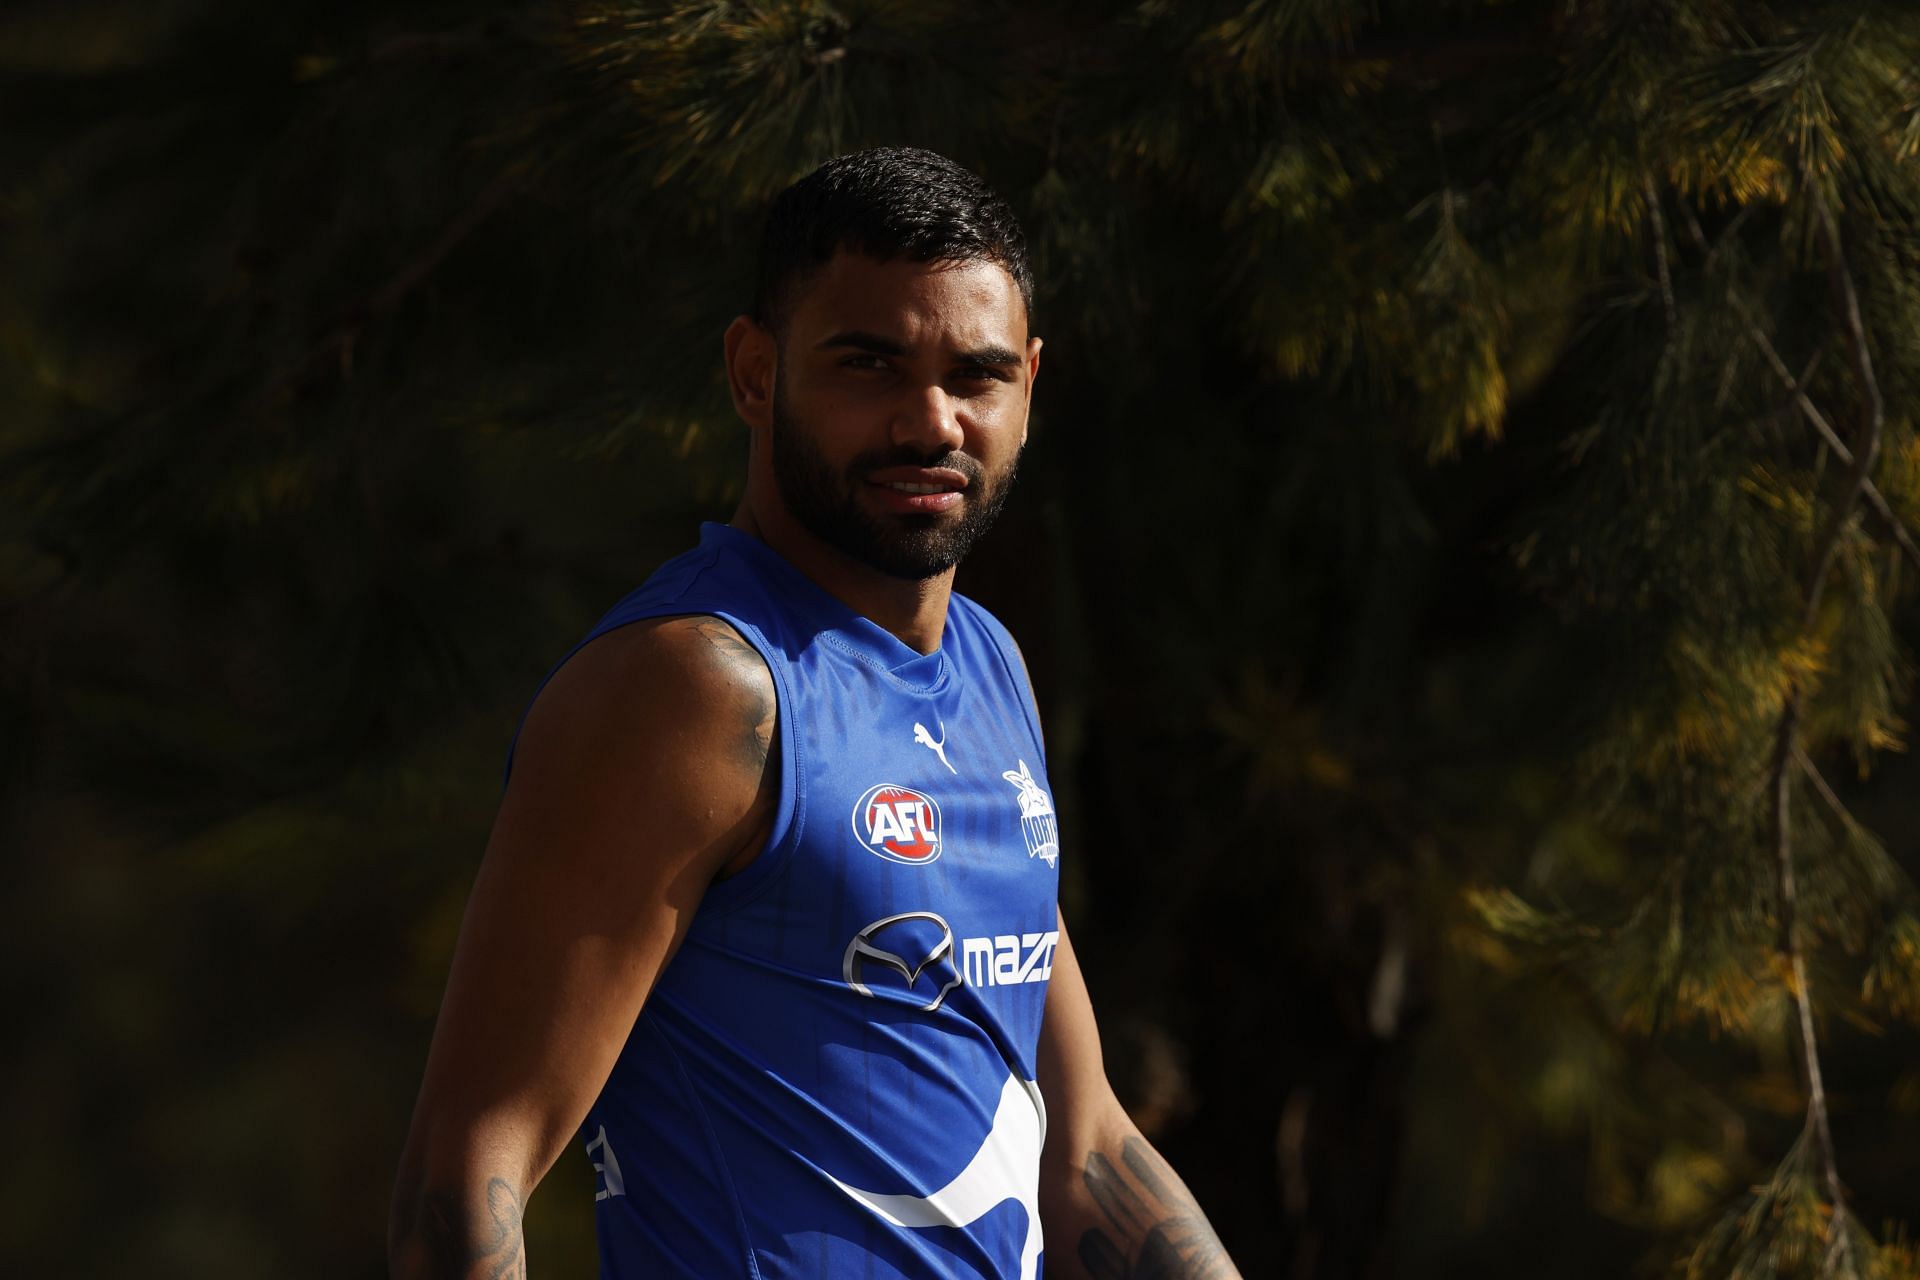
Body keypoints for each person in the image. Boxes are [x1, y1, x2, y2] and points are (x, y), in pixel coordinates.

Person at [389, 147, 1241, 1280]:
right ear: (754, 370)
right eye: (870, 366)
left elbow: (1084, 1147)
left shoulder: (990, 667)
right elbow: (467, 1167)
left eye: (976, 376)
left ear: (1029, 390)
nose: (929, 420)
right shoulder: (696, 686)